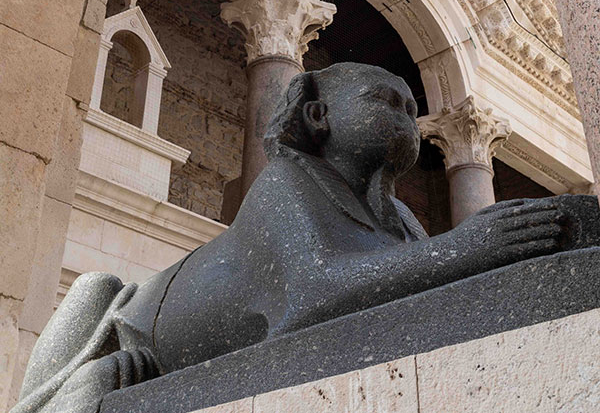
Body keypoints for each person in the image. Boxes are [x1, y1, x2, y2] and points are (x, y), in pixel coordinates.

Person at [13, 63, 597, 413]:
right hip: (130, 327)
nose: (407, 118)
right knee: (93, 285)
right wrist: (470, 249)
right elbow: (312, 295)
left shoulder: (402, 219)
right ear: (319, 116)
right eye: (385, 101)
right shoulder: (288, 181)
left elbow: (412, 280)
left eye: (411, 108)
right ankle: (57, 396)